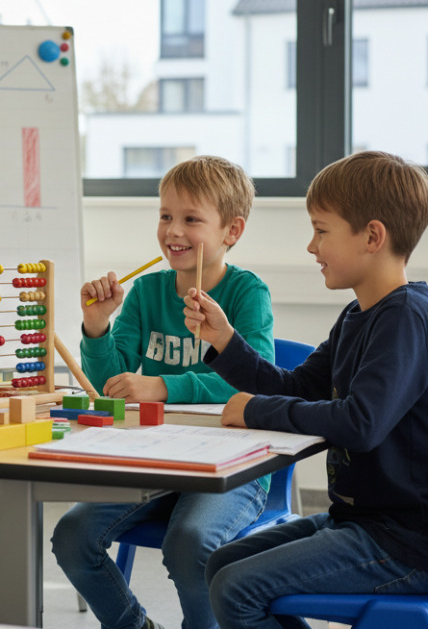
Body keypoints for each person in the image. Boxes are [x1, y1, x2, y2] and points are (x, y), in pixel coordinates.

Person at [186, 151, 428, 629]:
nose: (310, 246)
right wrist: (225, 342)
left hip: (406, 544)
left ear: (372, 236)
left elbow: (359, 424)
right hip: (362, 523)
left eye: (321, 231)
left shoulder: (407, 319)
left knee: (236, 588)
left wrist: (257, 410)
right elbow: (298, 384)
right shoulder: (360, 315)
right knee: (220, 566)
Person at [52, 155, 275, 629]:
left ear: (231, 231)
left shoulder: (247, 293)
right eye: (166, 216)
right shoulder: (148, 291)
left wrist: (161, 385)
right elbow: (108, 383)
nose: (173, 230)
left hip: (232, 466)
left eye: (191, 219)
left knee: (189, 542)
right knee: (72, 535)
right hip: (156, 459)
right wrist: (96, 326)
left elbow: (252, 379)